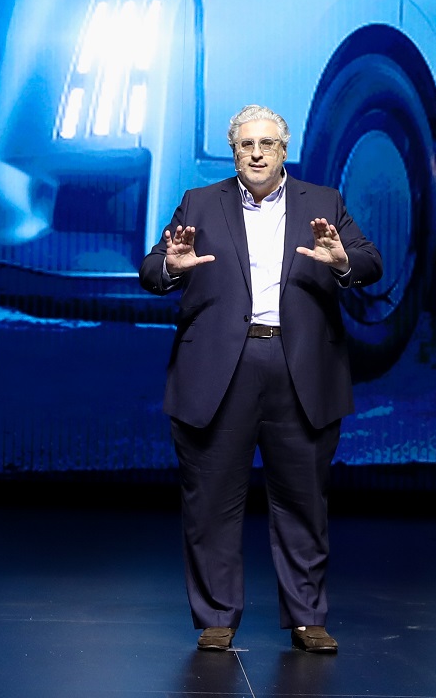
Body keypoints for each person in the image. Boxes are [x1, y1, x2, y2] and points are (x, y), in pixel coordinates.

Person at [139, 104, 383, 653]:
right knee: (210, 503)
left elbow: (370, 262)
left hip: (301, 368)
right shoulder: (199, 203)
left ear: (283, 149)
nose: (255, 153)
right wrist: (171, 267)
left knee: (304, 501)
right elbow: (151, 269)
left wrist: (342, 261)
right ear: (233, 152)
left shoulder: (324, 202)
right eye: (245, 144)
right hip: (218, 369)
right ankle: (216, 617)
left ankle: (307, 617)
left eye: (266, 143)